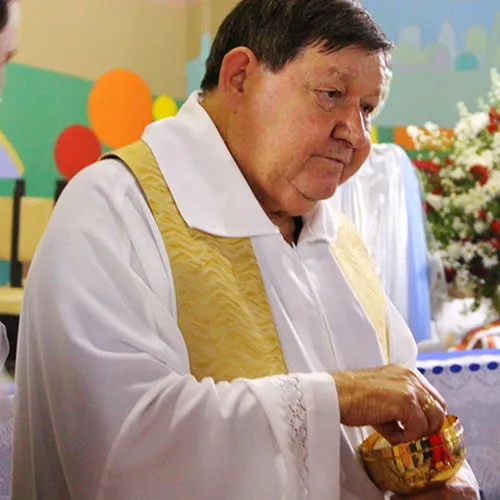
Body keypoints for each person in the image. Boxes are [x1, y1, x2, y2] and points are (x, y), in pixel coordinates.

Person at [13, 0, 479, 498]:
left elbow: (405, 404)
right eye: (331, 94)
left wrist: (446, 479)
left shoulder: (339, 238)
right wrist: (336, 396)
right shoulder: (114, 209)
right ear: (239, 78)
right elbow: (121, 448)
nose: (357, 134)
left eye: (367, 107)